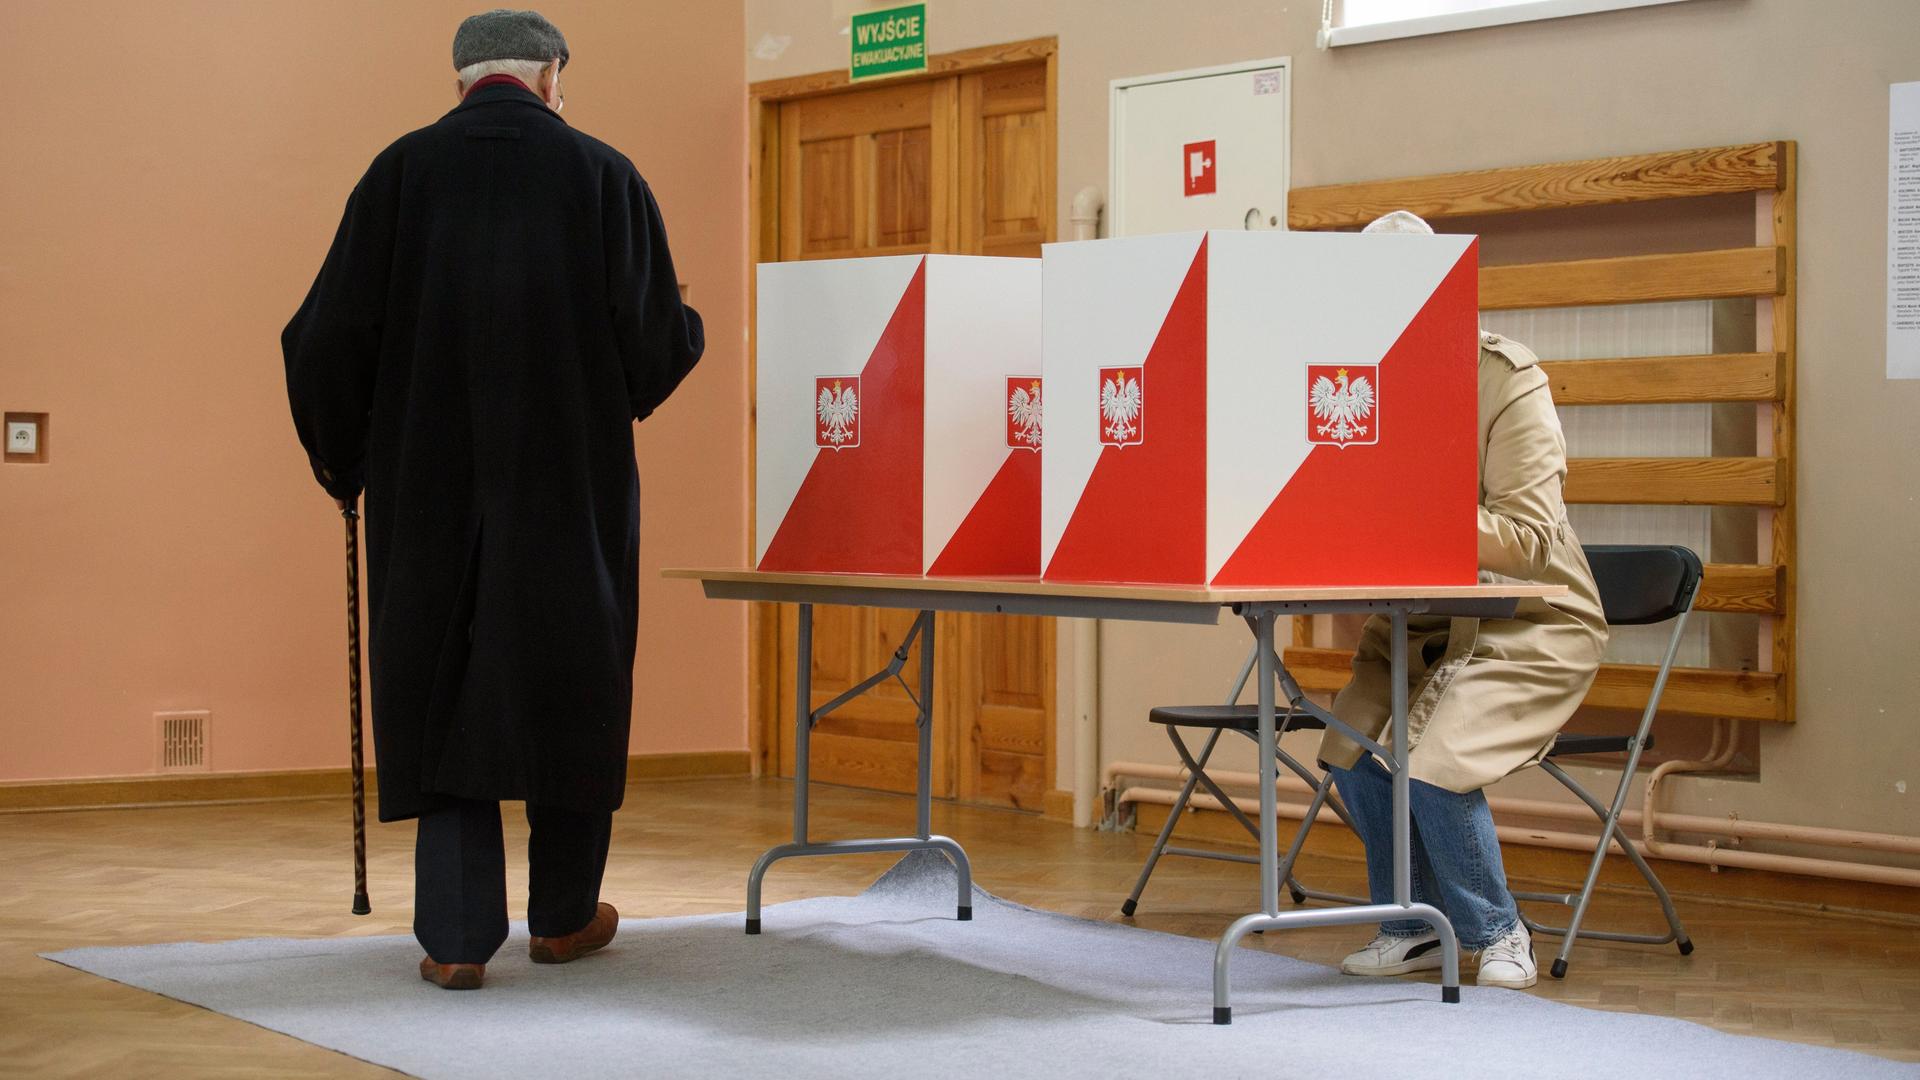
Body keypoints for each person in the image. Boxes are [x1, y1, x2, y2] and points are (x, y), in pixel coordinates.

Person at [282, 9, 704, 990]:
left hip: (429, 492)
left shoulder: (398, 176)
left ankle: (459, 938)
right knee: (570, 679)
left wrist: (346, 464)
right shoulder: (604, 175)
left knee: (445, 688)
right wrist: (674, 330)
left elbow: (323, 340)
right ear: (552, 75)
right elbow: (654, 341)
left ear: (461, 76)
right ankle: (562, 918)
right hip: (569, 489)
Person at [1316, 210, 1606, 990]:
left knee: (1434, 762)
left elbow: (1531, 542)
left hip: (1533, 622)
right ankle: (1413, 927)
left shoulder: (1508, 379)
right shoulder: (1360, 377)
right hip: (1421, 618)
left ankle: (1497, 930)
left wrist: (1407, 505)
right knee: (1348, 747)